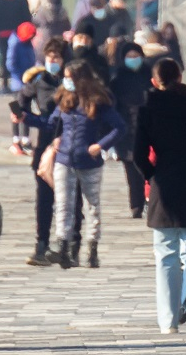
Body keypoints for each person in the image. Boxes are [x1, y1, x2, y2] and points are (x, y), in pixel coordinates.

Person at [132, 58, 186, 333]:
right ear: (180, 76)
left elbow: (137, 154)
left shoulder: (148, 107)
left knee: (166, 255)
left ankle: (168, 321)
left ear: (154, 81)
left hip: (164, 186)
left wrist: (151, 175)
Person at [22, 64, 125, 269]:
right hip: (64, 159)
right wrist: (27, 118)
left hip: (89, 161)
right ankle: (63, 248)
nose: (65, 81)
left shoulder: (98, 102)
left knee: (91, 204)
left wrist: (100, 145)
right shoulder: (64, 100)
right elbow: (50, 124)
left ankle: (92, 249)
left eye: (69, 78)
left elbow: (120, 127)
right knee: (63, 204)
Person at [11, 40, 69, 266]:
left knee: (68, 198)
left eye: (57, 57)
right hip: (44, 144)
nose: (53, 61)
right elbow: (21, 99)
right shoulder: (40, 81)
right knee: (44, 197)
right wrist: (21, 116)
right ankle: (41, 244)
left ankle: (67, 245)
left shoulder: (72, 81)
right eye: (50, 57)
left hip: (69, 145)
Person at [104, 36, 152, 219]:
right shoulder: (118, 78)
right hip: (126, 130)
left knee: (147, 168)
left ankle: (149, 200)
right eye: (129, 56)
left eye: (136, 55)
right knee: (131, 170)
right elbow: (112, 105)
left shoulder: (149, 75)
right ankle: (136, 204)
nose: (133, 59)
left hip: (148, 128)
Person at [0, 0, 34, 83]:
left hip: (2, 33)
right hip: (18, 34)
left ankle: (5, 81)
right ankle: (20, 79)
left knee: (5, 55)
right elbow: (26, 16)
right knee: (19, 57)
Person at [6, 21, 39, 92]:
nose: (31, 39)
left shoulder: (28, 42)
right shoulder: (15, 43)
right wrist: (20, 75)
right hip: (19, 82)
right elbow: (10, 63)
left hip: (29, 78)